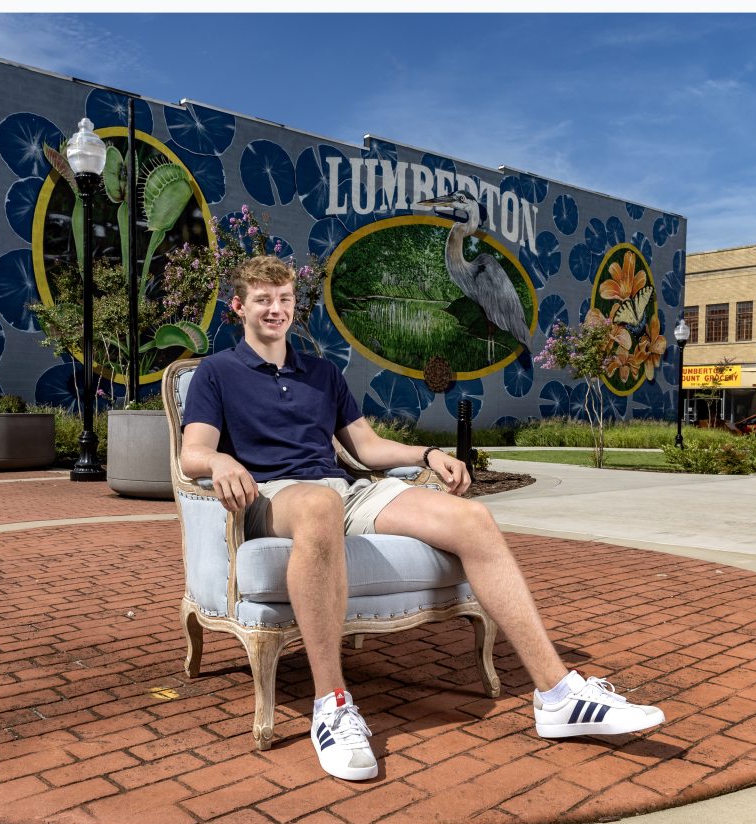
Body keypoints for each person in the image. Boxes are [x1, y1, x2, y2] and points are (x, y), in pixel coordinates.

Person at [178, 254, 666, 784]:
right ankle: (333, 705)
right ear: (239, 307)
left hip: (343, 491)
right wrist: (221, 459)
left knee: (472, 518)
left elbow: (365, 446)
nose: (276, 309)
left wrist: (428, 455)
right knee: (318, 504)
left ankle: (557, 695)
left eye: (285, 299)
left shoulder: (322, 372)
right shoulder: (217, 371)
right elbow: (192, 454)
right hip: (272, 496)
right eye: (263, 300)